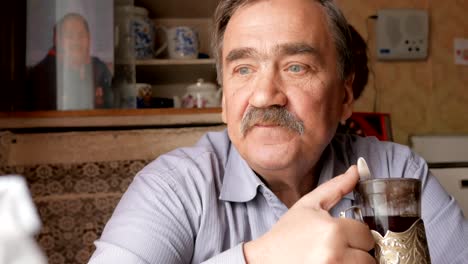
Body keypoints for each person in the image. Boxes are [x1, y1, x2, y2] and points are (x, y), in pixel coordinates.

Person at [89, 0, 468, 263]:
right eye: (243, 69)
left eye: (297, 67)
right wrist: (261, 259)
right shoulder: (172, 187)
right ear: (223, 103)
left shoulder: (396, 172)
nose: (264, 95)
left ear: (345, 96)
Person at [27, 13, 113, 110]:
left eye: (81, 35)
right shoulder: (40, 76)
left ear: (89, 38)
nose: (76, 41)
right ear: (57, 40)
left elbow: (113, 107)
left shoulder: (99, 68)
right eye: (70, 36)